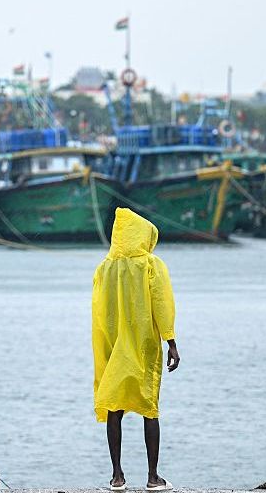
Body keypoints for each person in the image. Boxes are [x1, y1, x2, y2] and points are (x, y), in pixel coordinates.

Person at [92, 208, 179, 491]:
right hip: (143, 346)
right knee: (149, 408)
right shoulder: (151, 265)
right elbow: (162, 304)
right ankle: (153, 477)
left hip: (114, 346)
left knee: (114, 406)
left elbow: (99, 311)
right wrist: (171, 341)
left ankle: (117, 476)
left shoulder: (105, 268)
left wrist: (103, 347)